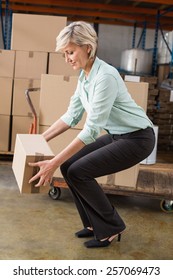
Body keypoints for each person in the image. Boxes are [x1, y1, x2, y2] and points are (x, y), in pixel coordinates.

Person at [29, 21, 155, 248]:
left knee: (77, 170)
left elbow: (91, 130)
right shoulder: (85, 77)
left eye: (70, 52)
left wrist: (53, 162)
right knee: (69, 167)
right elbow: (71, 116)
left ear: (87, 47)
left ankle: (112, 227)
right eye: (64, 54)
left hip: (138, 138)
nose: (67, 58)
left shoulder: (105, 76)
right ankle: (93, 225)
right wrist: (40, 139)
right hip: (119, 135)